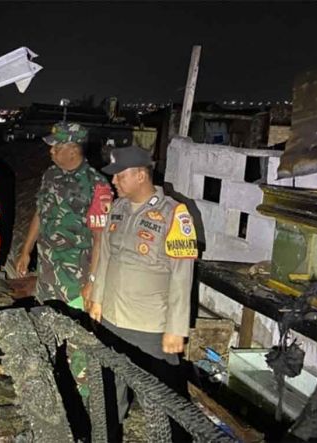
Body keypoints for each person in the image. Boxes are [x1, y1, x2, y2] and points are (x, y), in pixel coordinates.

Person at [89, 145, 197, 435]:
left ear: (140, 175)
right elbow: (106, 258)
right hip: (112, 320)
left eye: (119, 176)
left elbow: (182, 274)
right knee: (110, 393)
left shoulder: (175, 214)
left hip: (150, 327)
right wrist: (97, 299)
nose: (113, 181)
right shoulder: (118, 208)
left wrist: (176, 327)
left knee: (164, 400)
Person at [15, 121, 111, 401]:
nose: (51, 152)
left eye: (56, 147)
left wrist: (92, 281)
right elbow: (40, 212)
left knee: (78, 338)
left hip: (78, 276)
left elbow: (100, 238)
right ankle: (56, 392)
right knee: (47, 328)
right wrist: (26, 249)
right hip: (48, 272)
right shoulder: (50, 176)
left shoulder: (97, 185)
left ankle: (85, 401)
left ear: (72, 148)